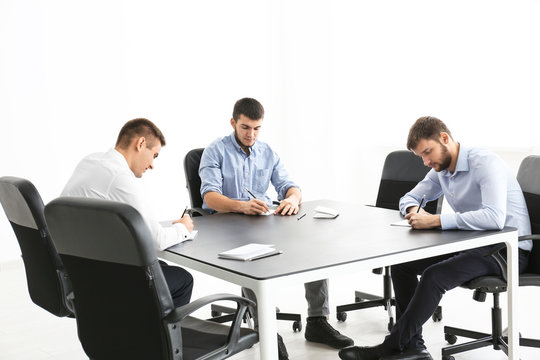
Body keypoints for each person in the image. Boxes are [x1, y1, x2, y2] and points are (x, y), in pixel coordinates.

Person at [339, 116, 532, 360]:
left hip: (506, 249)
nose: (427, 161)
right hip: (472, 242)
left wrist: (436, 220)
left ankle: (392, 346)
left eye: (428, 152)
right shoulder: (440, 170)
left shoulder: (484, 163)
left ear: (444, 138)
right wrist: (413, 211)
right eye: (421, 156)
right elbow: (407, 198)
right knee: (403, 264)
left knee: (434, 276)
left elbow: (494, 218)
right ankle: (414, 348)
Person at [199, 98, 354, 359]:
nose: (251, 134)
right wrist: (241, 206)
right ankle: (266, 330)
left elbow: (290, 186)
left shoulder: (267, 152)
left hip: (264, 221)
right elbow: (209, 197)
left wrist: (292, 199)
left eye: (257, 128)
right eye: (245, 127)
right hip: (227, 226)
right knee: (252, 260)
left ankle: (317, 322)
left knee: (312, 249)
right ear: (233, 122)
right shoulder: (216, 151)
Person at [61, 118, 195, 308]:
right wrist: (183, 228)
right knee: (182, 279)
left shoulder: (90, 161)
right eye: (154, 155)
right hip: (105, 277)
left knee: (159, 268)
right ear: (141, 144)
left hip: (79, 271)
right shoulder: (119, 177)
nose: (152, 165)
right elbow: (157, 241)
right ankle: (160, 338)